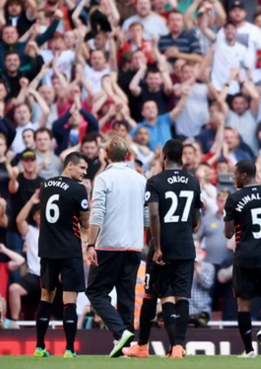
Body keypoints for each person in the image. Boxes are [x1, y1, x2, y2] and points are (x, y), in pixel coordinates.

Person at [124, 139, 202, 359]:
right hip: (186, 246)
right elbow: (196, 219)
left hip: (163, 246)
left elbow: (155, 215)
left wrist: (157, 247)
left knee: (151, 294)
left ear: (163, 156)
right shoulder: (193, 181)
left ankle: (141, 346)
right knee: (182, 297)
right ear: (182, 158)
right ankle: (178, 346)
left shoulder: (155, 181)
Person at [85, 137, 147, 358]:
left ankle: (121, 334)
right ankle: (125, 346)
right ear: (128, 155)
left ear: (106, 155)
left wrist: (91, 243)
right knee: (126, 296)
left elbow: (97, 212)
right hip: (133, 246)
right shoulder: (141, 179)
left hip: (108, 245)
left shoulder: (104, 178)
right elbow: (147, 215)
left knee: (95, 291)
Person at [223, 159, 261, 358]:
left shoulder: (233, 198)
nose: (232, 177)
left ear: (243, 175)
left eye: (234, 174)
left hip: (243, 256)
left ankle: (248, 350)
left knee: (243, 303)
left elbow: (228, 233)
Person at [34, 152, 90, 358]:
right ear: (70, 166)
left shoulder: (45, 185)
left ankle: (39, 347)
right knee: (70, 300)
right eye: (82, 168)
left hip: (47, 248)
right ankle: (69, 349)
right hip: (69, 250)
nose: (85, 172)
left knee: (45, 297)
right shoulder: (78, 188)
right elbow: (85, 222)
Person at [10, 192, 42, 321]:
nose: (42, 216)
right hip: (34, 275)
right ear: (34, 217)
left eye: (44, 213)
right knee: (13, 289)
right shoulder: (30, 232)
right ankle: (14, 323)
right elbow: (19, 220)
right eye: (39, 213)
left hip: (51, 276)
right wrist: (31, 201)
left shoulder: (55, 233)